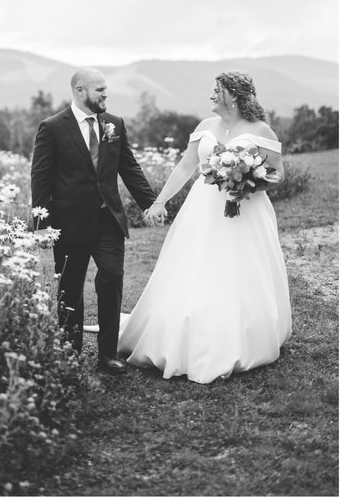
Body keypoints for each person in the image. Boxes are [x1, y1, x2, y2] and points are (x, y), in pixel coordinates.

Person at [118, 72, 291, 383]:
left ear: (235, 96)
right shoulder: (204, 127)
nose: (212, 95)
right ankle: (184, 330)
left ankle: (239, 336)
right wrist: (160, 201)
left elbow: (278, 174)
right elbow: (186, 166)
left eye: (217, 90)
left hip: (245, 213)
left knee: (238, 268)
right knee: (195, 264)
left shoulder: (260, 130)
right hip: (201, 210)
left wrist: (251, 182)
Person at [30, 68, 157, 374]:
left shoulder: (114, 124)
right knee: (70, 288)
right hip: (69, 222)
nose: (105, 94)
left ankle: (108, 354)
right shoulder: (52, 127)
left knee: (111, 278)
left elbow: (129, 167)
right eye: (99, 90)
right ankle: (70, 353)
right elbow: (41, 175)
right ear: (79, 90)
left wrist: (150, 204)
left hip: (108, 219)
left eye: (105, 89)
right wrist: (39, 218)